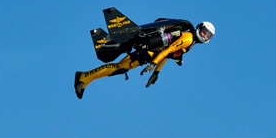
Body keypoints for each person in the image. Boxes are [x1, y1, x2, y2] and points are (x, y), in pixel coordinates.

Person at [75, 21, 215, 98]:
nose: (205, 36)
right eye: (204, 32)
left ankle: (84, 78)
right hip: (145, 55)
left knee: (118, 68)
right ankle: (83, 77)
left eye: (208, 35)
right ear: (199, 28)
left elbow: (168, 54)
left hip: (147, 55)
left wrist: (156, 73)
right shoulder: (188, 38)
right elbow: (167, 50)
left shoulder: (191, 42)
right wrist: (154, 64)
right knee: (119, 68)